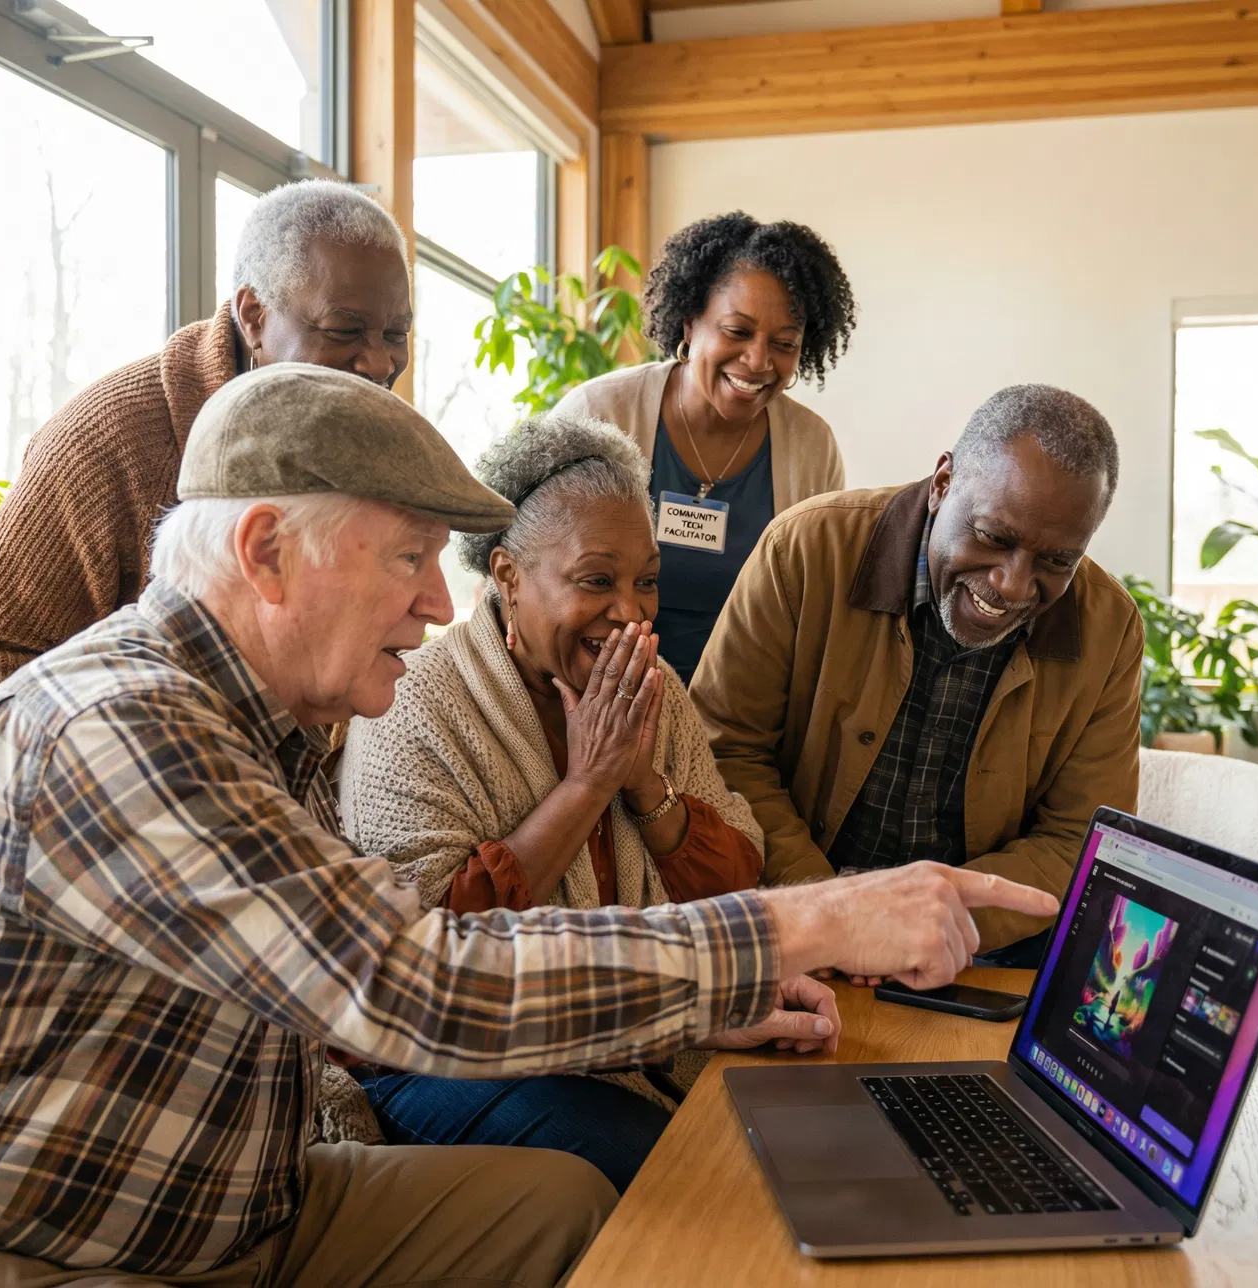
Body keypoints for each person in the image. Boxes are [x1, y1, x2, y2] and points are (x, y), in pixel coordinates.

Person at [0, 365, 1060, 1288]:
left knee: (562, 1207)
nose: (437, 607)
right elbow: (415, 982)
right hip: (22, 1250)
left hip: (234, 1208)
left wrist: (688, 1003)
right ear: (268, 550)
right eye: (408, 559)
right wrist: (811, 918)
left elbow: (364, 975)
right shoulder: (117, 724)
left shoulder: (272, 725)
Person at [339, 414, 762, 1192]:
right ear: (507, 577)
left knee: (783, 1137)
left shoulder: (656, 693)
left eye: (647, 581)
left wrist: (643, 784)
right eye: (597, 580)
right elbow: (430, 956)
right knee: (675, 1174)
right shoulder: (412, 704)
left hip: (635, 1042)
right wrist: (587, 785)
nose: (631, 611)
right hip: (440, 1061)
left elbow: (736, 886)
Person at [692, 384, 1143, 969]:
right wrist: (832, 914)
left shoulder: (1110, 629)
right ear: (942, 484)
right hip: (793, 924)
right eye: (994, 537)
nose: (1011, 584)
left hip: (978, 950)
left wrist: (926, 925)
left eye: (1056, 561)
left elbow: (1080, 838)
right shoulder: (803, 550)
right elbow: (724, 752)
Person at [0, 178, 414, 728]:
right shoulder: (109, 440)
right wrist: (159, 767)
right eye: (344, 330)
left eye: (395, 334)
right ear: (254, 315)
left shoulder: (354, 436)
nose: (379, 364)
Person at [555, 212, 856, 681]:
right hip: (593, 688)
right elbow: (532, 566)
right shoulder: (600, 411)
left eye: (784, 343)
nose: (758, 360)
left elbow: (816, 607)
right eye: (737, 332)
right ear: (690, 322)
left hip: (742, 705)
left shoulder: (812, 448)